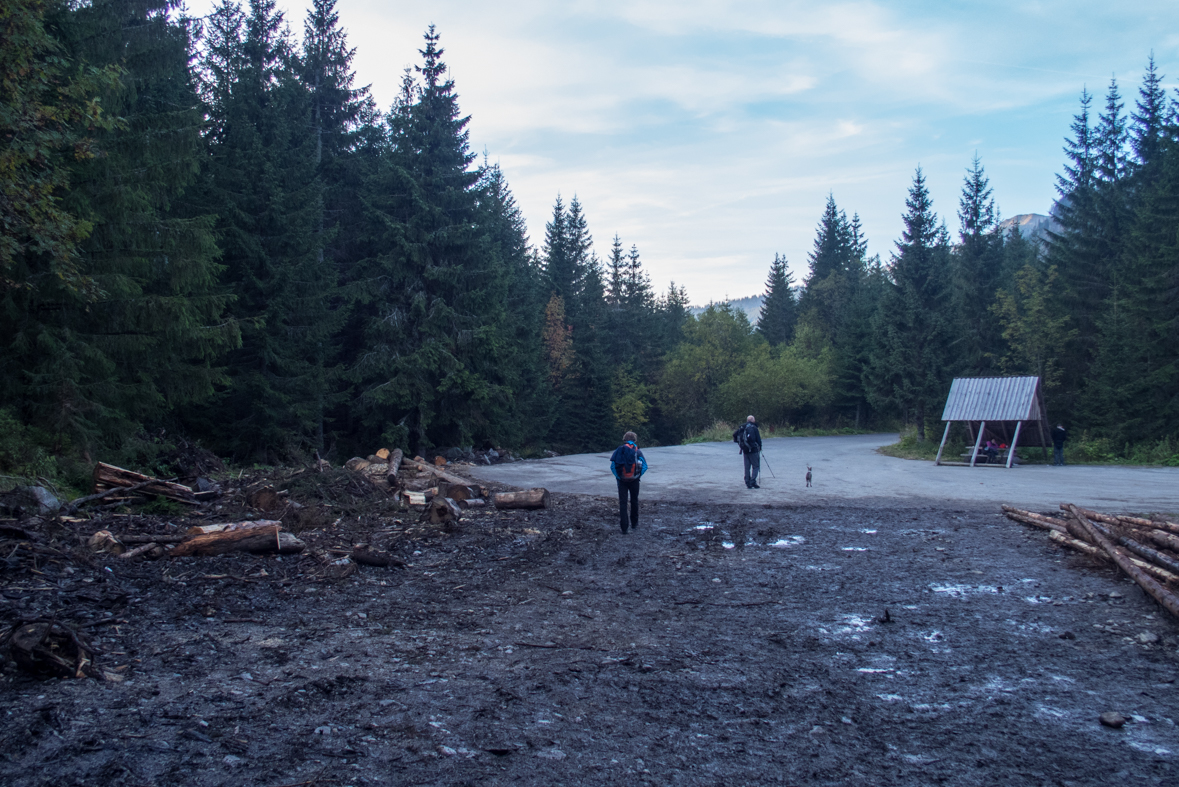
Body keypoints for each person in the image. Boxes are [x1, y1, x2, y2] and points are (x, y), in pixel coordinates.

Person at [610, 431, 647, 533]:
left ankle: (624, 527)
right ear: (635, 440)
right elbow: (645, 466)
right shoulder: (637, 451)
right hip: (634, 481)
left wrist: (619, 477)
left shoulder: (620, 450)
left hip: (622, 481)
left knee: (623, 502)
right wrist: (637, 476)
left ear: (624, 439)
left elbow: (612, 466)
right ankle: (634, 524)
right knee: (634, 500)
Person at [733, 415, 763, 489]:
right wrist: (759, 447)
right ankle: (753, 481)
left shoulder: (742, 427)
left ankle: (747, 482)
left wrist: (740, 444)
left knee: (747, 467)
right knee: (756, 466)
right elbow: (758, 439)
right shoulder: (753, 427)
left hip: (745, 450)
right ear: (753, 420)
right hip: (753, 449)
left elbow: (734, 434)